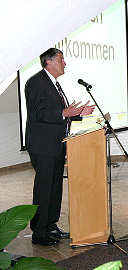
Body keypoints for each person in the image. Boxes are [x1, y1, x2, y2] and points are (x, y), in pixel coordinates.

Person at [25, 48, 94, 246]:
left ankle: (51, 225)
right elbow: (39, 113)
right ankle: (39, 232)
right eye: (62, 60)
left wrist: (80, 113)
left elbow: (60, 113)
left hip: (56, 144)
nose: (65, 63)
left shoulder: (54, 83)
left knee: (55, 187)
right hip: (43, 144)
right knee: (44, 188)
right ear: (49, 62)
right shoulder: (36, 82)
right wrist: (65, 112)